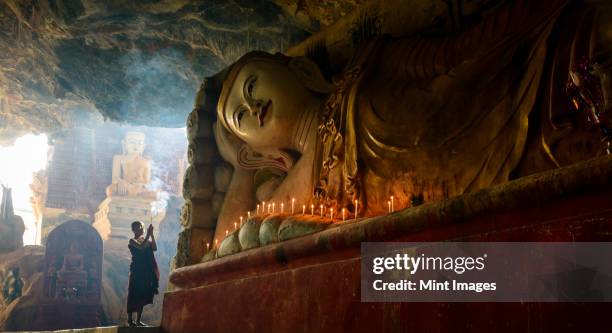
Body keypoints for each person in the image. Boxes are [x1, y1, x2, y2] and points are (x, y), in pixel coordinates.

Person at [205, 0, 611, 244]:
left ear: (303, 72)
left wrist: (548, 13)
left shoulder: (370, 63)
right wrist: (242, 168)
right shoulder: (285, 193)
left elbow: (462, 55)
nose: (251, 103)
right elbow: (225, 244)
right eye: (241, 115)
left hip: (512, 104)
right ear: (264, 150)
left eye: (252, 84)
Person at [127, 221, 159, 327]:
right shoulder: (132, 241)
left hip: (145, 271)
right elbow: (140, 247)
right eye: (138, 227)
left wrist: (152, 235)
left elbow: (154, 248)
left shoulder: (145, 240)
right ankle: (130, 320)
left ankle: (138, 320)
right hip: (137, 271)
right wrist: (148, 235)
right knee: (133, 293)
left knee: (142, 294)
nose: (141, 228)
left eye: (142, 226)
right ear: (134, 229)